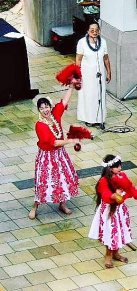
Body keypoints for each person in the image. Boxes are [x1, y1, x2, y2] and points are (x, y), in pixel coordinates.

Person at [88, 154, 137, 268]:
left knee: (119, 232)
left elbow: (131, 189)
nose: (120, 168)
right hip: (109, 211)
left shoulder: (123, 176)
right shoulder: (104, 180)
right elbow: (105, 194)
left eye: (120, 165)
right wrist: (115, 195)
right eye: (117, 166)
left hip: (120, 211)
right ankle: (108, 256)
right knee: (110, 233)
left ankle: (116, 254)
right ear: (110, 168)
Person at [29, 85, 80, 219]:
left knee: (63, 178)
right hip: (47, 156)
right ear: (39, 110)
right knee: (43, 182)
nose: (45, 110)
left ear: (50, 107)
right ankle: (35, 206)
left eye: (46, 107)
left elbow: (64, 101)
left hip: (60, 155)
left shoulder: (55, 115)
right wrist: (71, 140)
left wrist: (71, 86)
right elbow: (54, 142)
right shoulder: (40, 125)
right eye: (41, 108)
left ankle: (62, 204)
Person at [76, 22, 111, 129]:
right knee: (89, 96)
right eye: (92, 30)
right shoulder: (82, 43)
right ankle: (89, 119)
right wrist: (77, 75)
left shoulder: (103, 42)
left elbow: (105, 58)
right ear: (87, 31)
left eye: (96, 30)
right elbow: (78, 60)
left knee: (99, 95)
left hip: (99, 75)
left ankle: (100, 119)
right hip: (87, 75)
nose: (94, 32)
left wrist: (109, 72)